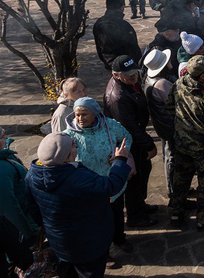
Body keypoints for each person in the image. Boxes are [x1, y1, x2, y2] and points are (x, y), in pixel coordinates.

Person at [26, 133, 131, 278]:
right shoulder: (76, 178)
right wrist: (120, 160)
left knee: (66, 271)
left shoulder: (32, 174)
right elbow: (110, 186)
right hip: (88, 243)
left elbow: (32, 208)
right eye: (73, 146)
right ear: (67, 156)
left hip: (59, 241)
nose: (76, 147)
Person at [63, 97, 134, 254]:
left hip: (112, 179)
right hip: (88, 186)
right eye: (77, 115)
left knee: (116, 213)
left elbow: (126, 138)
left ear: (95, 113)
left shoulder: (110, 125)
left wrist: (120, 153)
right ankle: (103, 250)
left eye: (84, 114)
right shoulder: (68, 135)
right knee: (96, 221)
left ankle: (119, 239)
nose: (80, 118)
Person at [167, 55, 204, 229]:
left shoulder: (178, 84)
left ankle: (176, 214)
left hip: (181, 144)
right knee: (203, 185)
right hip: (203, 148)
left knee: (180, 180)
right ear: (203, 76)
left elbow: (169, 107)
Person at [104, 55, 157, 228]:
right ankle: (135, 216)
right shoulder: (118, 97)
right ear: (116, 75)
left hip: (135, 138)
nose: (134, 76)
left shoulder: (128, 84)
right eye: (129, 74)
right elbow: (130, 127)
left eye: (135, 72)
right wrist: (148, 144)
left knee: (143, 172)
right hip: (129, 144)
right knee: (135, 178)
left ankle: (139, 205)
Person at [0, 126, 39, 276]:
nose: (5, 136)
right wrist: (27, 231)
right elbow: (8, 208)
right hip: (16, 231)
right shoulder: (2, 170)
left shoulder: (5, 157)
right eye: (2, 136)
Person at [142, 49, 177, 198]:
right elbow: (177, 101)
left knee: (168, 156)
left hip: (161, 124)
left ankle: (176, 189)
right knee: (172, 159)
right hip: (170, 125)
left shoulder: (149, 80)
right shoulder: (162, 84)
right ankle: (175, 192)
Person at [93, 0, 142, 71]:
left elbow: (99, 47)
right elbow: (134, 49)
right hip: (126, 66)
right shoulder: (124, 25)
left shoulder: (98, 24)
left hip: (108, 63)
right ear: (122, 7)